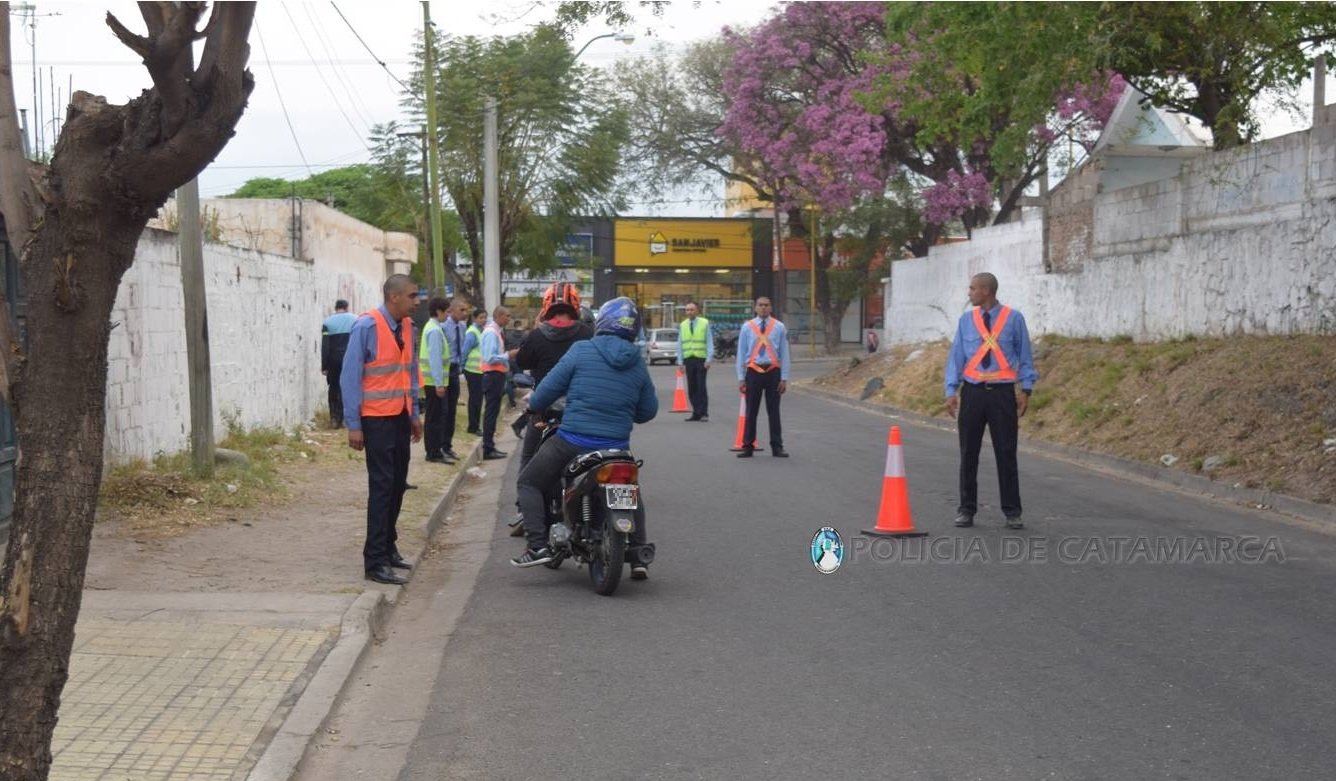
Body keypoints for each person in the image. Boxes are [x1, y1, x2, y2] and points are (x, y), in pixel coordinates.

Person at [511, 297, 658, 579]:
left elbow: (545, 391)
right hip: (617, 447)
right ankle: (639, 552)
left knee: (528, 481)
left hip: (573, 440)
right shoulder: (636, 362)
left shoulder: (582, 350)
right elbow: (647, 411)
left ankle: (538, 545)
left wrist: (534, 406)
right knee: (631, 488)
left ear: (602, 322)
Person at [340, 274, 423, 586]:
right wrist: (354, 425)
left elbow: (410, 373)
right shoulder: (367, 327)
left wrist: (414, 413)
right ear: (394, 297)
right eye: (413, 295)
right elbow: (349, 378)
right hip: (375, 421)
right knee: (382, 487)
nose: (417, 302)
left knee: (398, 484)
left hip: (399, 416)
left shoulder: (405, 327)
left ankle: (388, 548)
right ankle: (374, 561)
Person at [944, 272, 1038, 530]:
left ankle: (1012, 511)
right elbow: (956, 357)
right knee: (968, 453)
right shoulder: (966, 321)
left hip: (1002, 395)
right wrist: (951, 391)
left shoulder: (1013, 319)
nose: (969, 292)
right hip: (972, 393)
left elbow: (1025, 355)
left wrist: (1026, 389)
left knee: (1006, 453)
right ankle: (966, 509)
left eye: (973, 288)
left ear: (986, 290)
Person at [735, 296, 790, 458]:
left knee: (774, 412)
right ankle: (748, 446)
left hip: (773, 372)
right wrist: (740, 377)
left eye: (766, 305)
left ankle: (777, 446)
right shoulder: (747, 327)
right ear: (755, 308)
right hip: (753, 372)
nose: (764, 308)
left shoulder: (779, 327)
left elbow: (785, 354)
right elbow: (741, 353)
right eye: (760, 305)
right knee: (751, 411)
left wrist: (784, 378)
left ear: (771, 307)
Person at [418, 296, 455, 465]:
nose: (448, 315)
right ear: (438, 311)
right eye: (446, 312)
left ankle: (434, 450)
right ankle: (433, 452)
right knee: (434, 418)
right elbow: (435, 359)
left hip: (434, 382)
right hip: (434, 383)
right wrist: (440, 383)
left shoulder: (434, 327)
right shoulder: (434, 330)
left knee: (436, 417)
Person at [440, 297, 472, 461]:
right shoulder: (443, 326)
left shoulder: (462, 326)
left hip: (455, 370)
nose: (465, 313)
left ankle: (448, 445)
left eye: (466, 310)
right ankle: (439, 446)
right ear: (451, 310)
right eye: (462, 310)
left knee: (452, 409)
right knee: (443, 410)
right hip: (446, 369)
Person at [479, 306, 512, 460]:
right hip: (492, 376)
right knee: (491, 413)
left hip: (496, 376)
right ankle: (488, 447)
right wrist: (507, 355)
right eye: (507, 315)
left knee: (493, 412)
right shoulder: (492, 333)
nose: (509, 318)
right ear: (499, 315)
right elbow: (490, 357)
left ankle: (490, 445)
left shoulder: (496, 331)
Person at [321, 300, 356, 428]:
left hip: (333, 360)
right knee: (347, 388)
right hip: (349, 359)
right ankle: (346, 419)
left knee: (334, 387)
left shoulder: (327, 322)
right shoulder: (355, 320)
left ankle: (334, 418)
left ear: (335, 308)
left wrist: (324, 365)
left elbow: (325, 346)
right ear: (347, 307)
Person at [677, 301, 713, 421]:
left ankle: (704, 413)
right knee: (692, 387)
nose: (689, 312)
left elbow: (709, 341)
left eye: (692, 309)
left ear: (697, 311)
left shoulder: (704, 323)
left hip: (701, 358)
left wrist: (709, 359)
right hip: (688, 359)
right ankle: (696, 412)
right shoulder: (683, 325)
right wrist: (680, 362)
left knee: (701, 386)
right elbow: (680, 344)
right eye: (687, 310)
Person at [461, 308, 487, 436]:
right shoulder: (472, 332)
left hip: (479, 371)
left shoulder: (480, 331)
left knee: (478, 399)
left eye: (485, 317)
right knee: (475, 399)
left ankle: (475, 425)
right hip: (472, 371)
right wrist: (461, 367)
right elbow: (465, 351)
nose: (484, 320)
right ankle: (473, 427)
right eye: (481, 317)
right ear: (475, 318)